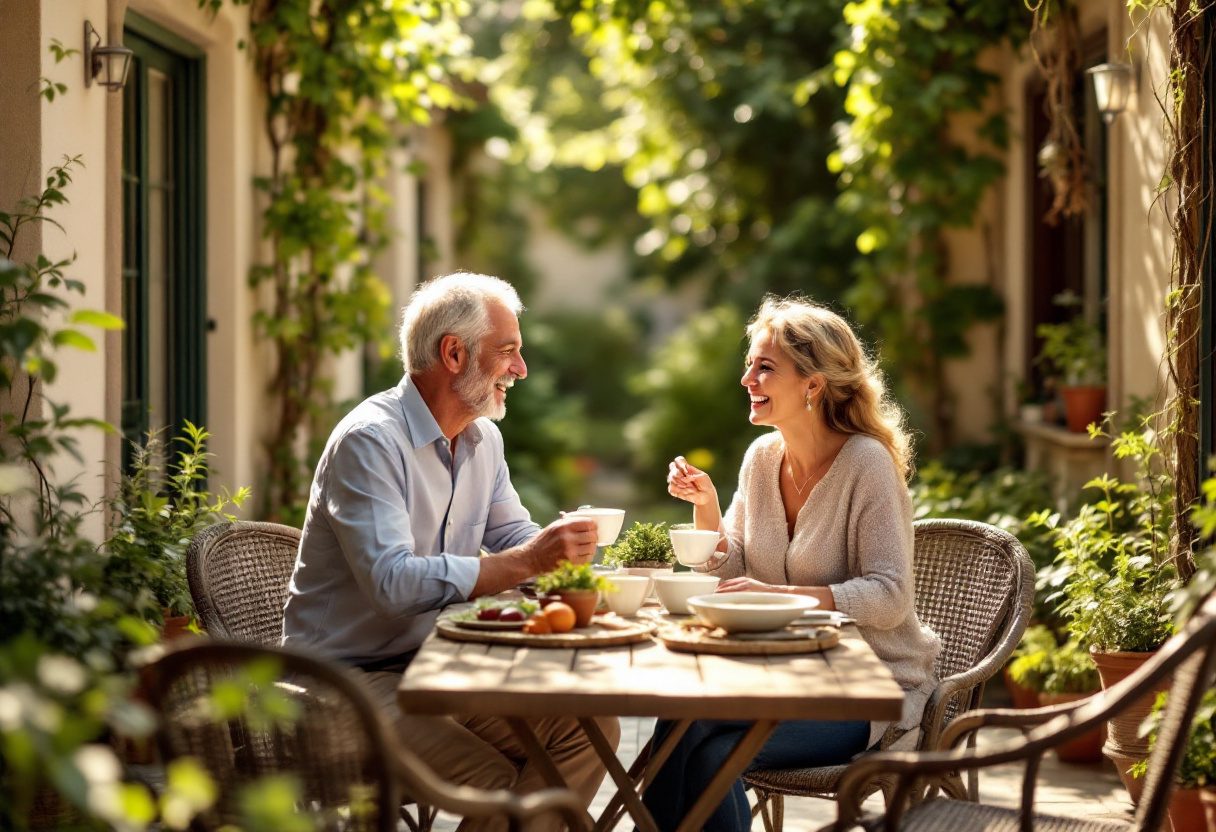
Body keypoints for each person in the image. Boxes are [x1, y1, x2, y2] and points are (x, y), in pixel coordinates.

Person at [282, 272, 618, 831]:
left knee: (587, 729)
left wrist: (564, 555)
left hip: (429, 671)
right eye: (508, 351)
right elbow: (391, 584)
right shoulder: (370, 441)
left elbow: (515, 538)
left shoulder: (485, 439)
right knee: (494, 785)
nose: (521, 369)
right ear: (454, 353)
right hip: (342, 686)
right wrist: (530, 562)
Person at [647, 294, 941, 831]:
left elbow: (890, 595)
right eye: (748, 365)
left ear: (813, 384)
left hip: (868, 690)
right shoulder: (761, 459)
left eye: (765, 368)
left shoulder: (866, 466)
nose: (746, 380)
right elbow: (731, 567)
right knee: (679, 718)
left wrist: (788, 599)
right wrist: (706, 508)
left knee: (711, 755)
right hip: (781, 675)